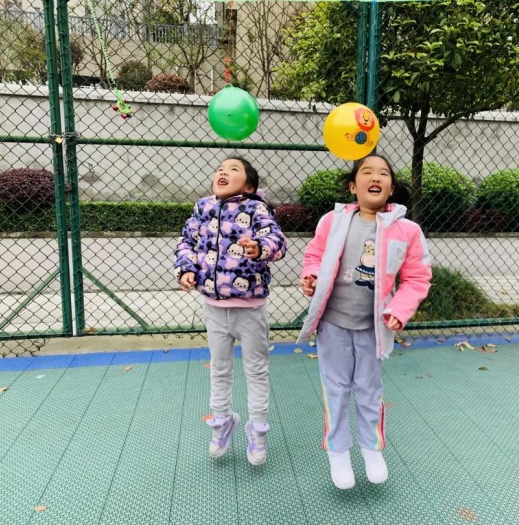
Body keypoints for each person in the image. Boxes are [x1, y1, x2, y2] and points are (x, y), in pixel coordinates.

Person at [298, 155, 432, 489]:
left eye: (383, 173)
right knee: (336, 389)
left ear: (391, 188)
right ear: (352, 186)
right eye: (367, 172)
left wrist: (399, 309)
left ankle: (371, 448)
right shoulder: (333, 221)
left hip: (373, 328)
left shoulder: (408, 230)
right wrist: (311, 276)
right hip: (333, 325)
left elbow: (417, 278)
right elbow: (314, 255)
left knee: (369, 390)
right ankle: (338, 451)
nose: (375, 177)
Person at [175, 156, 287, 466]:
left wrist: (260, 248)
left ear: (249, 186)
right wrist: (187, 269)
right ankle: (222, 422)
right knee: (219, 367)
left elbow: (276, 240)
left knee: (256, 369)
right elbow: (186, 241)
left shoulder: (256, 209)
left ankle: (258, 429)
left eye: (233, 169)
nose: (223, 171)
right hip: (214, 308)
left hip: (250, 309)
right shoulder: (203, 207)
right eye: (220, 168)